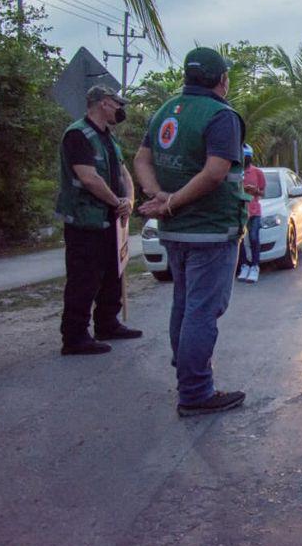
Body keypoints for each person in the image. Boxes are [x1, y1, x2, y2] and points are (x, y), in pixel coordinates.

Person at [135, 47, 248, 417]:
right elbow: (215, 173)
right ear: (221, 80)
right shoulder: (221, 116)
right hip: (211, 230)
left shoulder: (166, 110)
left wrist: (159, 196)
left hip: (176, 231)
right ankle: (196, 392)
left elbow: (142, 159)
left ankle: (187, 371)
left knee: (184, 306)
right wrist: (170, 202)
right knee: (202, 310)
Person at [55, 85, 142, 355]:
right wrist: (116, 202)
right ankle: (75, 336)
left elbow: (124, 173)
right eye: (117, 104)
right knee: (85, 277)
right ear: (103, 103)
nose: (120, 110)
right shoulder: (78, 135)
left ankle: (107, 323)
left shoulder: (108, 138)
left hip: (111, 220)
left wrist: (128, 200)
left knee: (112, 274)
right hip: (86, 220)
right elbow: (88, 177)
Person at [237, 144, 266, 284]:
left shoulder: (257, 172)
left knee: (254, 237)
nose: (245, 159)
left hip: (254, 210)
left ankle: (255, 266)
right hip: (240, 211)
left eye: (247, 157)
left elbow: (262, 192)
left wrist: (255, 190)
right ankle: (243, 265)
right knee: (240, 241)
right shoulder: (236, 172)